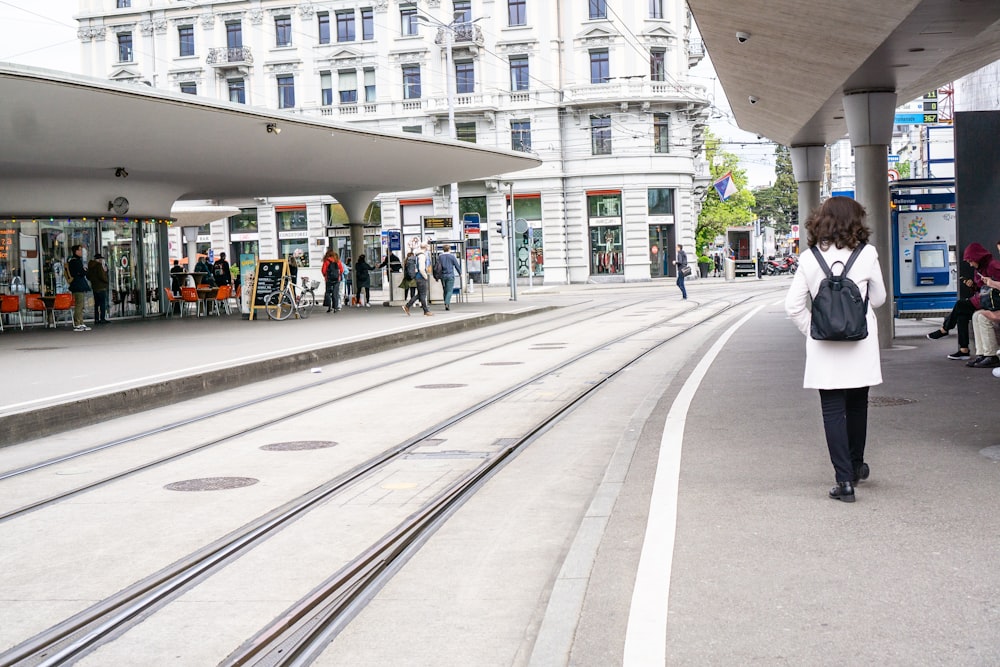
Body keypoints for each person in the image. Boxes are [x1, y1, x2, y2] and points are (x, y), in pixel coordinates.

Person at [784, 196, 887, 503]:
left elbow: (792, 306)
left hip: (824, 349)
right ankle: (856, 466)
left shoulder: (809, 258)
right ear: (857, 221)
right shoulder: (867, 254)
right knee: (857, 405)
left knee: (832, 410)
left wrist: (814, 331)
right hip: (860, 343)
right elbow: (879, 299)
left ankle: (844, 482)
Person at [925, 242, 1000, 360]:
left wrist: (991, 283)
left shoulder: (993, 266)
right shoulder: (979, 268)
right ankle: (964, 350)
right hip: (983, 299)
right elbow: (982, 288)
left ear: (977, 257)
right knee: (962, 315)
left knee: (961, 305)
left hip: (989, 301)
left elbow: (993, 286)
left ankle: (945, 329)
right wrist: (973, 286)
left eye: (971, 261)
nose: (970, 264)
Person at [67, 244, 92, 331]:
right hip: (78, 285)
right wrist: (84, 270)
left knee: (80, 305)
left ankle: (81, 322)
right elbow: (82, 272)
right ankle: (78, 323)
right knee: (79, 305)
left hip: (76, 285)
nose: (81, 252)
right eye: (80, 250)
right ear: (76, 251)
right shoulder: (75, 261)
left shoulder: (73, 261)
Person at [403, 242, 432, 316]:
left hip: (417, 277)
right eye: (428, 246)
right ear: (425, 247)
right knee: (422, 294)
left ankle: (407, 306)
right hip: (421, 277)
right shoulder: (422, 256)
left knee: (420, 294)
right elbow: (422, 269)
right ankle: (426, 311)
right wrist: (425, 277)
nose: (429, 247)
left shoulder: (417, 255)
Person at [87, 252, 110, 324]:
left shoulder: (90, 266)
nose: (101, 260)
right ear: (98, 259)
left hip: (95, 287)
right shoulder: (99, 266)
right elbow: (102, 276)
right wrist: (106, 279)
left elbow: (88, 276)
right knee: (103, 303)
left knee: (96, 304)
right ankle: (102, 318)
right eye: (100, 259)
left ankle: (96, 319)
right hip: (101, 287)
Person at [437, 244, 461, 311]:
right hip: (450, 275)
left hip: (442, 276)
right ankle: (447, 303)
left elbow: (437, 266)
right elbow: (457, 265)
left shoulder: (440, 257)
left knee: (445, 290)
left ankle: (445, 302)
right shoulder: (452, 257)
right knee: (449, 290)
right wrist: (460, 273)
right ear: (449, 249)